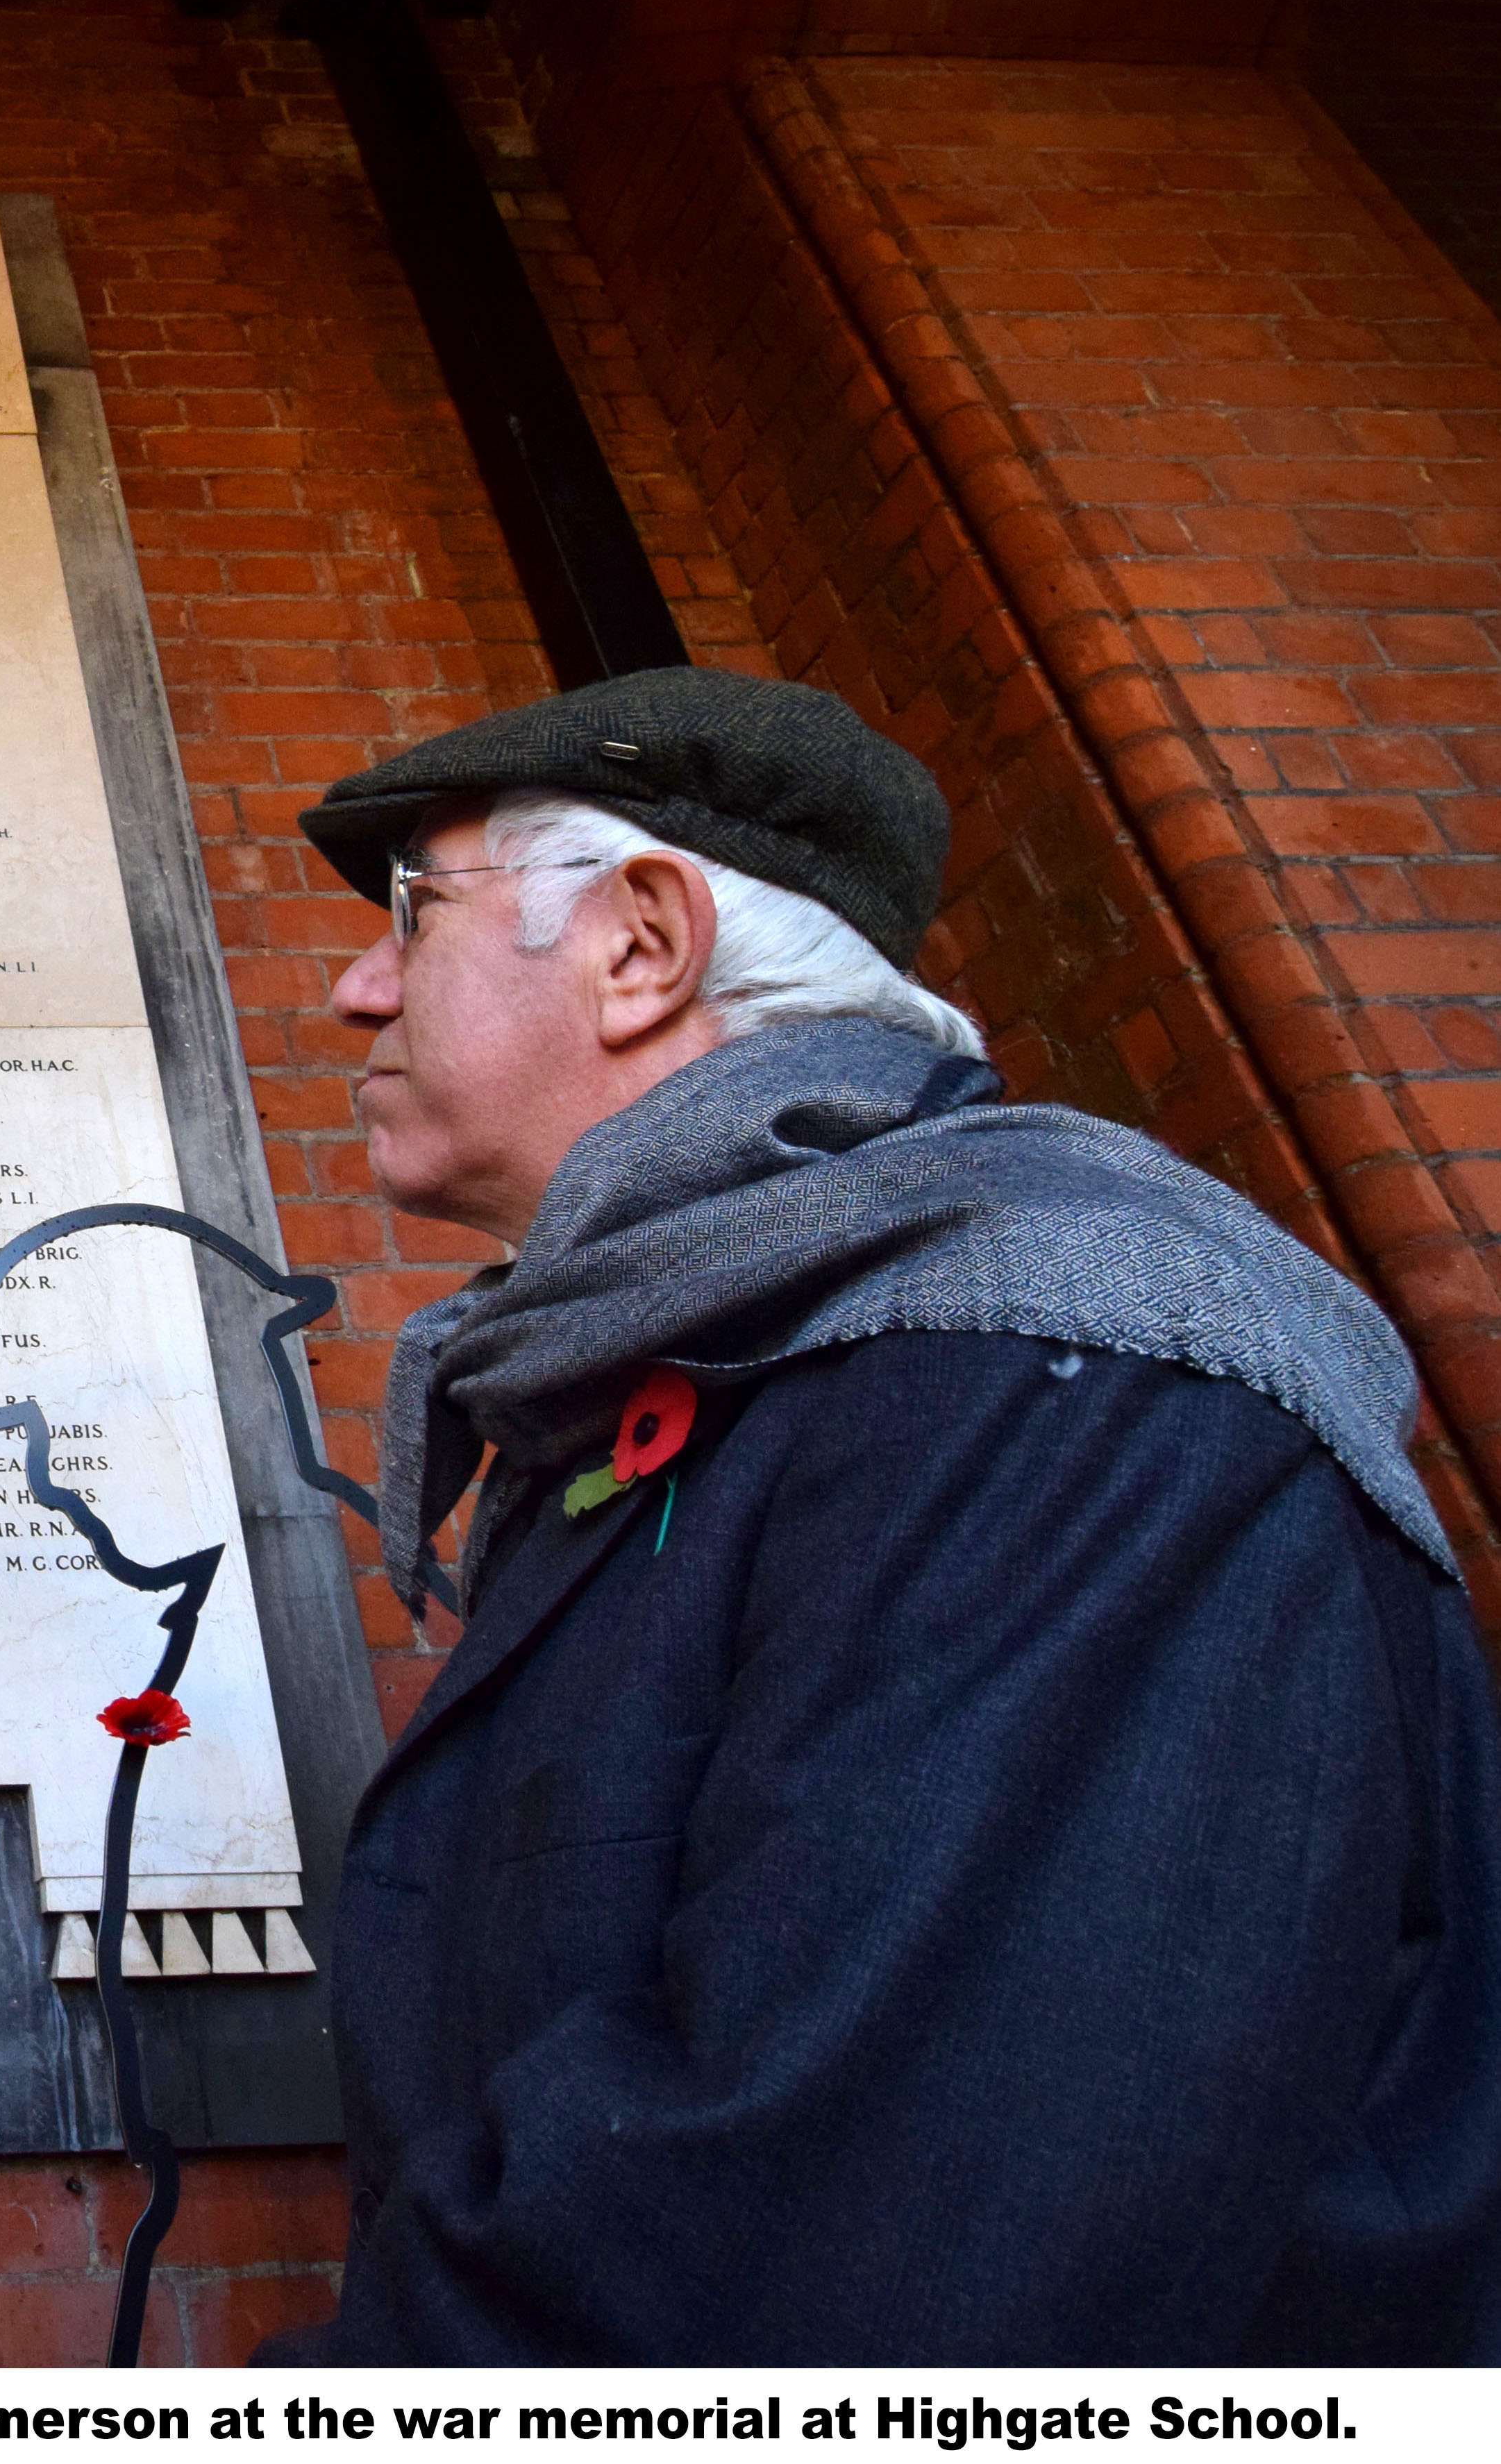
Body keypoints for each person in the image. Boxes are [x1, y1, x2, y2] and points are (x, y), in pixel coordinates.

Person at [249, 664, 1501, 2363]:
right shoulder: (756, 1366)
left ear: (639, 942)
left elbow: (833, 2275)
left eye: (414, 908)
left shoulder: (1053, 1367)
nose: (352, 986)